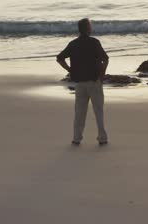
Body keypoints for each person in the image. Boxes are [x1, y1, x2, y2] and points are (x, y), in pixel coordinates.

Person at [56, 18, 109, 146]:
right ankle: (102, 138)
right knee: (98, 111)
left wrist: (70, 70)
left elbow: (59, 58)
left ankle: (76, 138)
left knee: (79, 113)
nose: (91, 28)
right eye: (90, 26)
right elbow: (105, 59)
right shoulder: (95, 42)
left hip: (79, 83)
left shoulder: (73, 43)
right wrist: (102, 75)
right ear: (87, 28)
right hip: (94, 81)